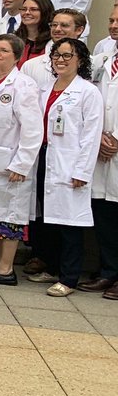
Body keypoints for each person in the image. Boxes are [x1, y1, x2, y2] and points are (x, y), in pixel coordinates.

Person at [34, 38, 103, 297]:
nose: (60, 60)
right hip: (45, 159)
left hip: (69, 164)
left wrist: (82, 171)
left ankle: (69, 277)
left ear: (81, 60)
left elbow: (91, 135)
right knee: (49, 221)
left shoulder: (87, 92)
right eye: (56, 55)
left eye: (67, 55)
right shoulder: (45, 88)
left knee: (70, 225)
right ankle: (51, 268)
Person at [0, 34, 43, 286]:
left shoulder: (23, 85)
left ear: (17, 56)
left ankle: (6, 269)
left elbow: (33, 129)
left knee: (11, 215)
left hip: (12, 163)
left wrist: (22, 164)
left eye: (3, 50)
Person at [86, 32, 118, 296]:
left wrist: (116, 137)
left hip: (115, 144)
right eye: (111, 21)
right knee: (104, 213)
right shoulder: (103, 59)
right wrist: (100, 136)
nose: (114, 26)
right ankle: (108, 272)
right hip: (101, 146)